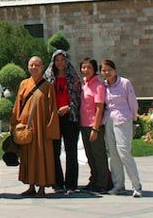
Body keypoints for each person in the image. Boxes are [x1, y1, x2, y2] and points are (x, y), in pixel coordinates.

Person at [10, 56, 60, 197]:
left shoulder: (48, 86)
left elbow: (52, 109)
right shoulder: (24, 84)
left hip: (41, 130)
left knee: (42, 157)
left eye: (36, 65)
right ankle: (31, 186)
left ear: (42, 67)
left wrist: (50, 129)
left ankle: (42, 187)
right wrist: (14, 124)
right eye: (31, 65)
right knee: (27, 157)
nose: (34, 67)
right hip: (26, 128)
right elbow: (17, 106)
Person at [100, 59, 142, 197]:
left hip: (123, 118)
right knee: (113, 154)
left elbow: (133, 102)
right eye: (103, 70)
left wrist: (133, 117)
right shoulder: (104, 86)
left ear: (115, 70)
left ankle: (136, 185)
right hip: (108, 119)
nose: (106, 73)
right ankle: (118, 185)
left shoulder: (124, 83)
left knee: (124, 152)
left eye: (109, 70)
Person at [43, 50, 81, 194]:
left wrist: (68, 107)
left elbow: (78, 97)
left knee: (71, 152)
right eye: (57, 60)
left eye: (62, 60)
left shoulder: (73, 77)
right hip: (54, 118)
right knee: (54, 151)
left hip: (70, 118)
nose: (60, 63)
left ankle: (71, 184)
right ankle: (57, 183)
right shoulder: (48, 77)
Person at [80, 58, 110, 193]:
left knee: (99, 155)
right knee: (90, 155)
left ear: (94, 70)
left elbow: (99, 108)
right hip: (84, 125)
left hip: (94, 125)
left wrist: (95, 128)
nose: (86, 70)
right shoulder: (85, 85)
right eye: (83, 67)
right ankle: (94, 179)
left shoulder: (98, 86)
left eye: (89, 68)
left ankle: (103, 182)